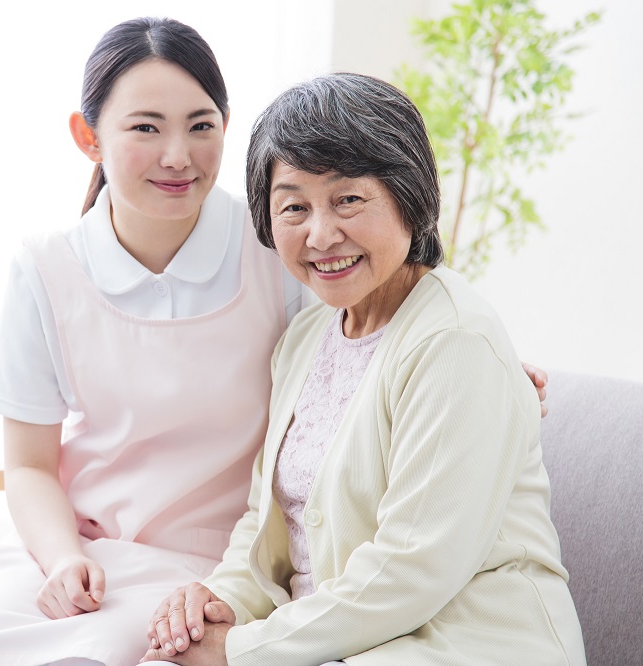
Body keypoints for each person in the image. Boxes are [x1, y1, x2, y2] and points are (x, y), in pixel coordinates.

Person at [0, 17, 549, 666]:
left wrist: (495, 370)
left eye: (200, 125)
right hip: (129, 559)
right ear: (89, 137)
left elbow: (404, 322)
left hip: (221, 562)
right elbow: (29, 462)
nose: (177, 154)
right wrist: (64, 559)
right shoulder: (50, 268)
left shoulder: (273, 249)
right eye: (145, 127)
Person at [141, 73, 584, 666]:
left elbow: (412, 570)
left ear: (410, 195)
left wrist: (242, 649)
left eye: (349, 199)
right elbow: (266, 521)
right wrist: (218, 605)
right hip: (335, 638)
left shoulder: (454, 340)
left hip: (460, 642)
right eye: (294, 206)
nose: (321, 234)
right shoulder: (304, 337)